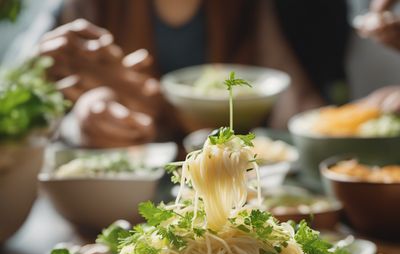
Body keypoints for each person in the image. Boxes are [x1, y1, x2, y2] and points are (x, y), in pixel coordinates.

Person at [38, 0, 325, 147]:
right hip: (122, 187)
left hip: (238, 178)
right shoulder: (87, 7)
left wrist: (325, 130)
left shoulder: (248, 7)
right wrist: (80, 120)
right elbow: (41, 102)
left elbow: (290, 90)